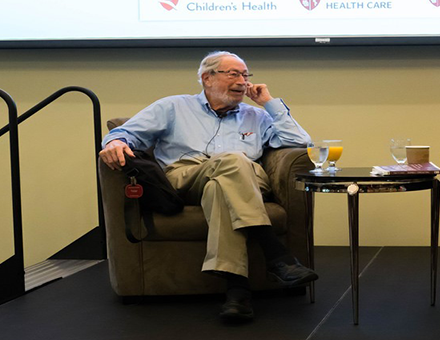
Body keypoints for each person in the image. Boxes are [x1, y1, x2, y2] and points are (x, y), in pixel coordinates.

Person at [99, 51, 318, 322]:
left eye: (246, 75)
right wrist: (115, 143)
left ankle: (238, 291)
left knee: (223, 182)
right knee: (232, 162)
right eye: (233, 73)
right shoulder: (173, 107)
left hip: (247, 179)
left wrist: (269, 103)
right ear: (207, 78)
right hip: (186, 176)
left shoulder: (257, 115)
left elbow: (299, 141)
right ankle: (275, 254)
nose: (242, 81)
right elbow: (125, 132)